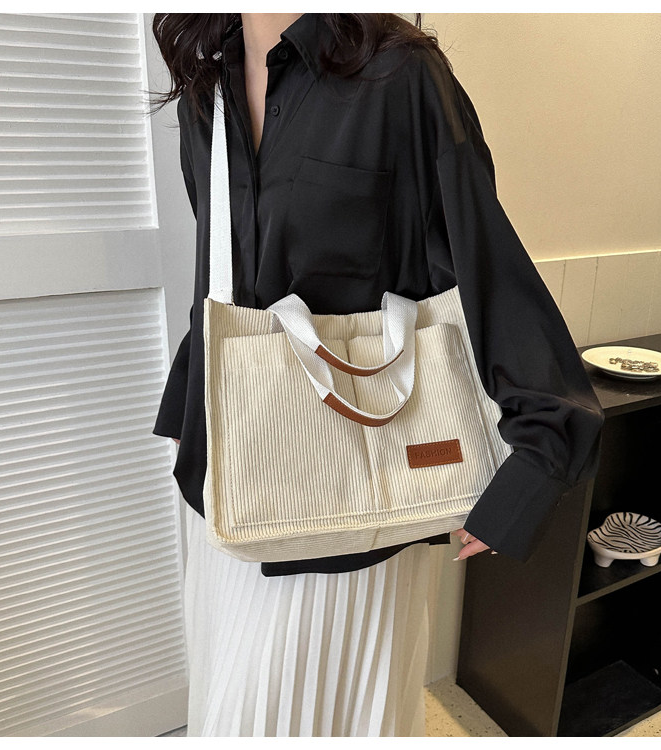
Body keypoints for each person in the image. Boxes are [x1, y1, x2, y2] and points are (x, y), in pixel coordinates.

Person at [150, 13, 605, 737]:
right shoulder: (209, 91)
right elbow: (222, 278)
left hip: (357, 495)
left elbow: (483, 259)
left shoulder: (400, 76)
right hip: (233, 478)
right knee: (227, 710)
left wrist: (539, 454)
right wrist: (189, 406)